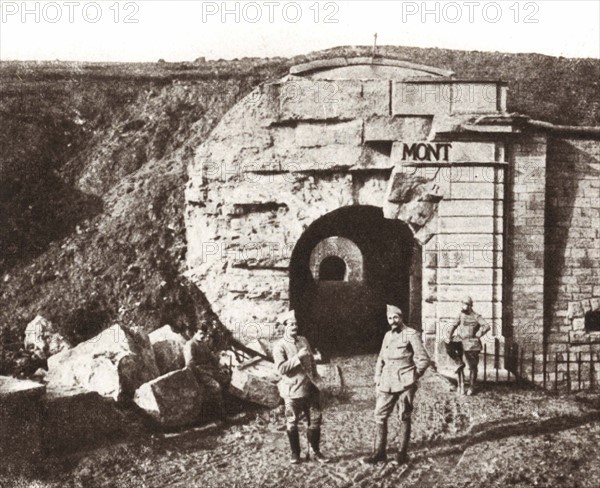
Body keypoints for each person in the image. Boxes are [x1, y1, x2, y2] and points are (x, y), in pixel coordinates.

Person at [362, 305, 431, 465]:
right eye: (389, 318)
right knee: (379, 415)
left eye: (395, 318)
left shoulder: (411, 334)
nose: (392, 321)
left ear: (401, 318)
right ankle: (379, 452)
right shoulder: (387, 335)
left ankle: (402, 454)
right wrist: (377, 376)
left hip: (405, 383)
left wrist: (413, 376)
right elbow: (381, 357)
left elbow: (424, 359)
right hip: (386, 382)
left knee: (404, 416)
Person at [273, 309, 328, 465]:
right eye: (291, 324)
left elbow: (310, 361)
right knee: (292, 422)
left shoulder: (303, 340)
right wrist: (297, 357)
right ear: (285, 326)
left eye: (296, 324)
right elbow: (280, 369)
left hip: (310, 388)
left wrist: (317, 378)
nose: (294, 327)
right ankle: (295, 454)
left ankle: (315, 452)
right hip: (292, 391)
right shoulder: (280, 346)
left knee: (315, 420)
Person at [444, 296, 491, 396]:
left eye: (464, 304)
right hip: (460, 341)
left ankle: (471, 386)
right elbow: (453, 325)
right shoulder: (460, 315)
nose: (462, 306)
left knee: (472, 367)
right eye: (462, 304)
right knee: (448, 345)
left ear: (469, 305)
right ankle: (460, 378)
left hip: (471, 344)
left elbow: (486, 326)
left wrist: (479, 334)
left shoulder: (476, 316)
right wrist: (448, 336)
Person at [184, 325, 231, 421]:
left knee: (227, 378)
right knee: (216, 387)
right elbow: (190, 363)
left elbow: (212, 358)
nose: (202, 336)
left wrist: (221, 367)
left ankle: (230, 409)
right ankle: (222, 417)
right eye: (200, 333)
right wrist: (199, 375)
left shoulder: (203, 344)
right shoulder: (190, 345)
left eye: (204, 334)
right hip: (200, 372)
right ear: (195, 333)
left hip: (210, 370)